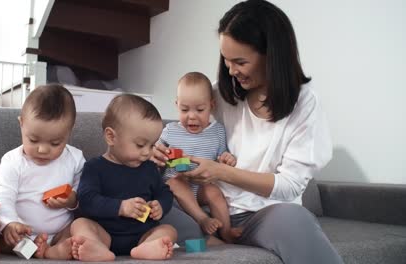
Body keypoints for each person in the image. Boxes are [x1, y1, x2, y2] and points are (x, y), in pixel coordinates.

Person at [153, 1, 344, 263]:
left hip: (264, 214)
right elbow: (184, 131)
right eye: (226, 60)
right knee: (155, 204)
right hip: (205, 211)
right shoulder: (219, 93)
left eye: (240, 61)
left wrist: (221, 172)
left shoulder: (305, 103)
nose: (231, 70)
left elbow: (289, 186)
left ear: (271, 55)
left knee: (295, 220)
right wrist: (157, 150)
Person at [70, 94, 177, 261]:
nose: (147, 152)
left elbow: (165, 193)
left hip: (142, 234)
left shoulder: (149, 168)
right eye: (141, 145)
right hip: (104, 234)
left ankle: (147, 248)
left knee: (169, 230)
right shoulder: (94, 167)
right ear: (111, 137)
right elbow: (86, 200)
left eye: (152, 145)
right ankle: (96, 247)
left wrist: (160, 206)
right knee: (80, 224)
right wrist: (120, 207)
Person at [0, 84, 85, 259]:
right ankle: (34, 250)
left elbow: (86, 191)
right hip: (23, 230)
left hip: (61, 230)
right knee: (5, 239)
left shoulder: (76, 159)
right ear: (22, 124)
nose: (42, 150)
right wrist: (9, 223)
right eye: (33, 139)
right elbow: (2, 195)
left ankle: (55, 249)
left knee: (81, 226)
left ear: (69, 132)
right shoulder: (13, 161)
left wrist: (72, 199)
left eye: (55, 143)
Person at [159, 71, 241, 243]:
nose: (192, 116)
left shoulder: (217, 131)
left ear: (211, 106)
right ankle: (202, 219)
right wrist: (156, 153)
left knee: (214, 190)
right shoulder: (170, 131)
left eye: (200, 109)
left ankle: (226, 232)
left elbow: (222, 158)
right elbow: (155, 151)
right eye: (184, 109)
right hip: (177, 191)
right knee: (174, 181)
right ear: (177, 105)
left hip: (201, 188)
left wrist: (228, 158)